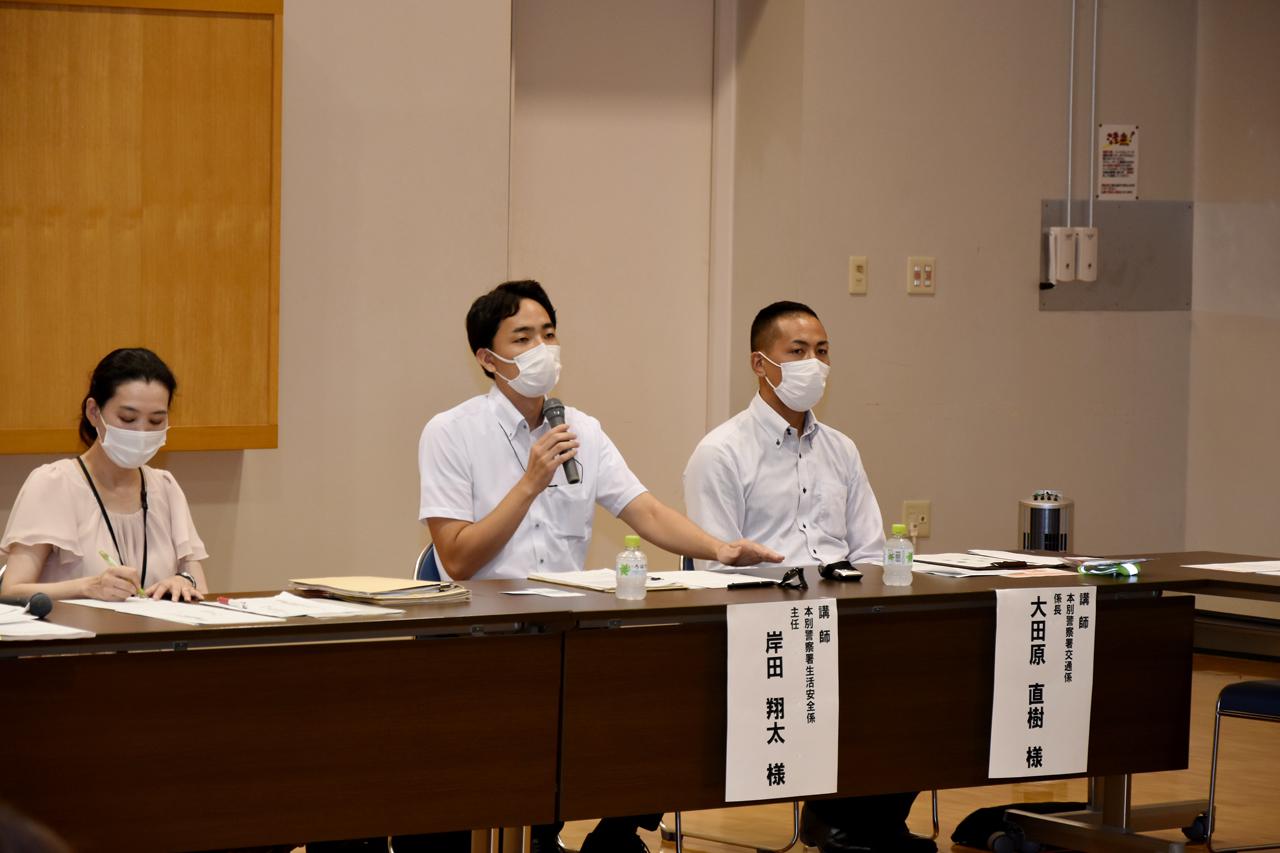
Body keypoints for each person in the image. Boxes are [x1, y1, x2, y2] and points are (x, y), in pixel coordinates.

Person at [416, 279, 783, 853]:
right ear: (488, 359)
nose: (542, 349)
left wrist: (721, 549)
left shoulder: (581, 429)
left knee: (664, 693)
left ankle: (611, 836)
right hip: (480, 634)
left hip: (565, 629)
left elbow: (646, 510)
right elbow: (458, 557)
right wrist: (530, 482)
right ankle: (524, 832)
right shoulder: (451, 432)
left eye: (549, 334)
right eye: (523, 338)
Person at [683, 301, 933, 853]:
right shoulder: (721, 452)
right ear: (760, 363)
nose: (813, 364)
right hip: (766, 625)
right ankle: (844, 820)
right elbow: (713, 568)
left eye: (821, 351)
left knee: (923, 670)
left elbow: (870, 551)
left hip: (846, 615)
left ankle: (866, 819)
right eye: (797, 352)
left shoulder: (841, 449)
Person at [1, 348, 208, 603]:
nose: (142, 432)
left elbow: (200, 588)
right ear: (94, 412)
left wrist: (184, 582)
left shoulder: (166, 488)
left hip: (155, 630)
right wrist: (88, 587)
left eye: (156, 421)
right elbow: (10, 591)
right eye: (127, 418)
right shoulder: (53, 483)